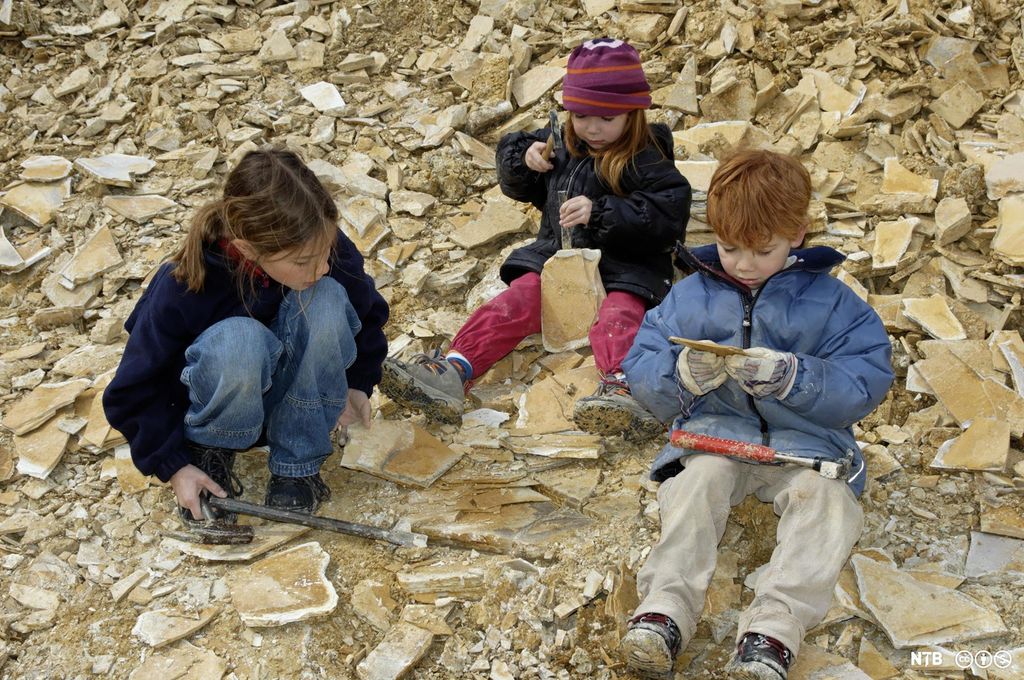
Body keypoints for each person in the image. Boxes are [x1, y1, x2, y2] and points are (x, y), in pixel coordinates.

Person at [617, 149, 894, 678]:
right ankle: (663, 612)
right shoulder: (690, 294)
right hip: (715, 438)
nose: (742, 263)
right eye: (728, 247)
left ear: (798, 233)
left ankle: (772, 631)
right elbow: (641, 361)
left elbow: (865, 380)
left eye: (761, 250)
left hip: (807, 448)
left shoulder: (836, 303)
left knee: (827, 506)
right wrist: (681, 377)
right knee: (696, 487)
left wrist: (797, 377)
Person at [381, 37, 690, 441]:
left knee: (619, 318)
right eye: (580, 115)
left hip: (626, 268)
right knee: (514, 302)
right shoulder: (561, 141)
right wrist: (525, 160)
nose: (592, 128)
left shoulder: (646, 155)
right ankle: (455, 369)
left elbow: (669, 213)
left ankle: (624, 387)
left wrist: (601, 214)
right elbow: (517, 184)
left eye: (607, 118)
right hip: (556, 259)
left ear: (634, 114)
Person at [103, 148, 389, 521]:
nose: (321, 267)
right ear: (247, 249)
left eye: (326, 252)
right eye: (303, 262)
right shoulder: (186, 283)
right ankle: (211, 457)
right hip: (222, 414)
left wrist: (356, 384)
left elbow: (366, 313)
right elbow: (134, 388)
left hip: (301, 409)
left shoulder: (320, 246)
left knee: (327, 299)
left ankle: (297, 467)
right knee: (240, 340)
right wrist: (173, 465)